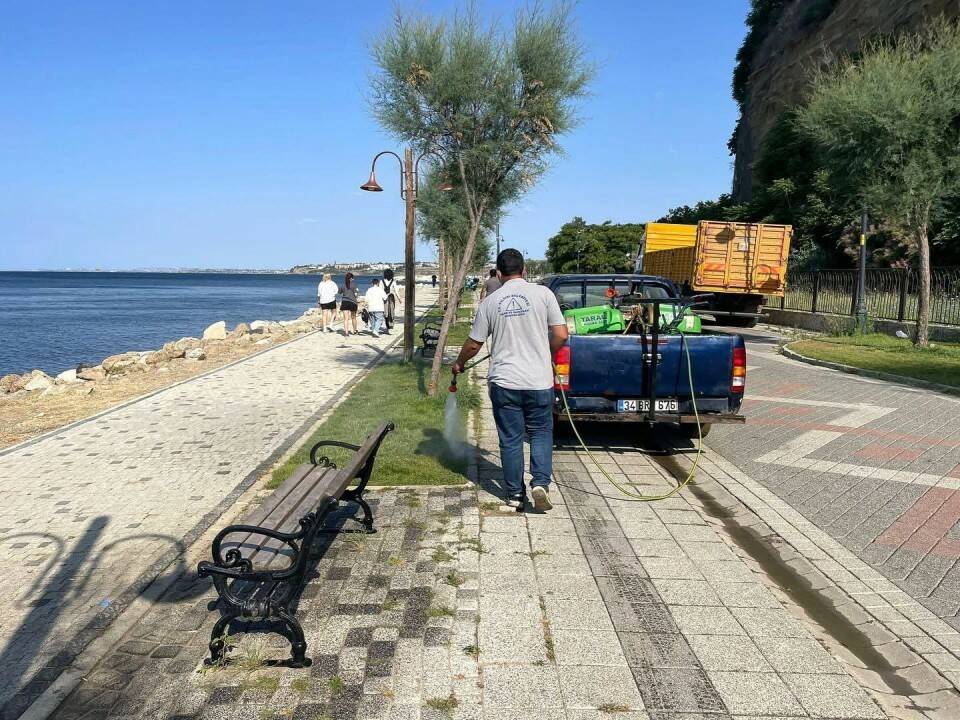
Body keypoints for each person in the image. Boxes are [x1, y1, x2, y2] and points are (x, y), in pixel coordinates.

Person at [452, 249, 568, 511]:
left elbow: (474, 344)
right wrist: (546, 353)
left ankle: (515, 495)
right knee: (540, 433)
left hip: (504, 382)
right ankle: (540, 483)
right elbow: (561, 334)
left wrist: (459, 363)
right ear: (524, 270)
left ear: (499, 273)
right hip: (539, 381)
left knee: (511, 439)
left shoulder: (490, 302)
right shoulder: (543, 294)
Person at [382, 268, 400, 334]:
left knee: (386, 313)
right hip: (391, 298)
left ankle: (387, 327)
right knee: (392, 311)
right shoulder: (393, 282)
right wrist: (399, 299)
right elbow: (396, 291)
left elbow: (380, 291)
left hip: (384, 299)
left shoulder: (381, 281)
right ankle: (391, 325)